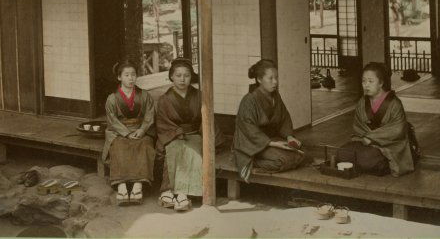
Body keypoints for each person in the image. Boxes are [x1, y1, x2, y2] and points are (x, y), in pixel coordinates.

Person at [156, 57, 221, 212]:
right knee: (174, 150)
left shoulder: (200, 95)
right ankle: (176, 193)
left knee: (194, 152)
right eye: (178, 75)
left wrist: (205, 135)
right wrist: (177, 133)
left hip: (195, 134)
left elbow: (206, 118)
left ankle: (180, 193)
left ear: (192, 77)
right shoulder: (164, 99)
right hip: (172, 135)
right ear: (171, 76)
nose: (182, 79)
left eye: (187, 75)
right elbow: (163, 123)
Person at [232, 59, 308, 182]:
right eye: (271, 78)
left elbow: (284, 117)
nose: (275, 82)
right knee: (282, 160)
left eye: (276, 78)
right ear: (259, 79)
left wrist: (289, 137)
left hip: (271, 140)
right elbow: (249, 130)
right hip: (253, 145)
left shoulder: (275, 96)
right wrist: (272, 143)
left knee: (302, 153)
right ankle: (252, 162)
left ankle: (270, 155)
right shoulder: (249, 100)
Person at [336, 62, 414, 177]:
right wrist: (366, 138)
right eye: (363, 81)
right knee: (342, 153)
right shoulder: (362, 102)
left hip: (389, 144)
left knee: (366, 157)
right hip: (364, 142)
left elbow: (398, 129)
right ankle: (373, 163)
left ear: (381, 83)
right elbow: (358, 126)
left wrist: (371, 138)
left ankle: (386, 163)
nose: (366, 85)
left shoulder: (394, 103)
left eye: (370, 81)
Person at [103, 60, 156, 205]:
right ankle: (121, 185)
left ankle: (138, 185)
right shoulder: (112, 98)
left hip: (140, 130)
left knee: (145, 144)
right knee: (119, 146)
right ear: (119, 77)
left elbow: (149, 115)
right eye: (126, 75)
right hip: (119, 131)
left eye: (133, 74)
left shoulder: (145, 95)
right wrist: (126, 133)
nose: (131, 78)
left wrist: (142, 130)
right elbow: (112, 120)